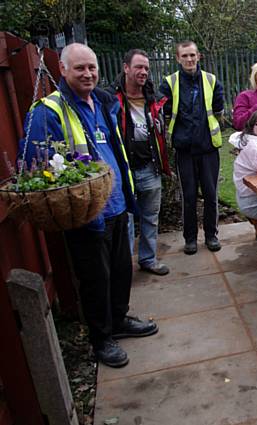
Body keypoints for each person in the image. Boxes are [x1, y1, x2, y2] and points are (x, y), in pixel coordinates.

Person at [21, 43, 158, 367]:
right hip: (86, 215)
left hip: (117, 206)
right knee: (96, 280)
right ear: (63, 70)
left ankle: (119, 320)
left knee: (121, 272)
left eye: (91, 67)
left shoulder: (102, 102)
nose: (87, 73)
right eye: (79, 68)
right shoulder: (49, 110)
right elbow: (33, 163)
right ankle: (101, 339)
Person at [108, 48, 171, 276]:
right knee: (125, 222)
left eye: (146, 68)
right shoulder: (110, 99)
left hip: (150, 168)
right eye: (138, 67)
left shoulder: (153, 99)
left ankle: (148, 259)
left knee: (150, 218)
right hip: (124, 172)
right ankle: (124, 267)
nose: (143, 72)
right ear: (126, 68)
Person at [159, 41, 225, 255]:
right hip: (184, 150)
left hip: (208, 149)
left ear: (199, 56)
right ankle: (190, 239)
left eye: (192, 55)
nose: (189, 59)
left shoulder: (211, 80)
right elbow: (165, 112)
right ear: (178, 58)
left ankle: (211, 235)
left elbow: (218, 109)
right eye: (184, 56)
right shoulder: (169, 83)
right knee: (188, 196)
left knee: (211, 194)